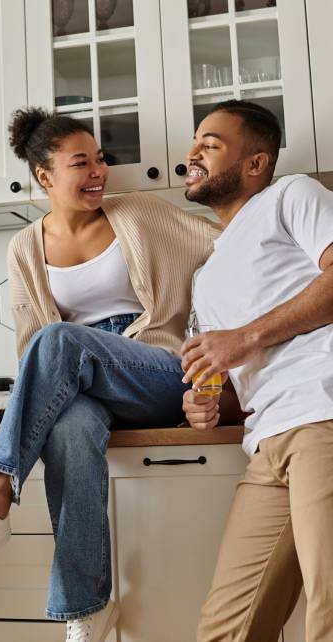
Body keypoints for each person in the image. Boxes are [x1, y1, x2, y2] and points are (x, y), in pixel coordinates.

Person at [0, 107, 218, 641]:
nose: (98, 172)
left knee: (60, 340)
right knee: (69, 427)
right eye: (80, 163)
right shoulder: (24, 248)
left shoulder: (137, 212)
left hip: (152, 369)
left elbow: (224, 247)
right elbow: (30, 345)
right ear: (45, 176)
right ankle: (86, 610)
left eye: (100, 160)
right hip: (77, 380)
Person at [180, 99, 333, 642]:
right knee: (227, 628)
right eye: (195, 141)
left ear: (255, 163)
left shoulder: (292, 195)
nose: (192, 153)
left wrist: (241, 338)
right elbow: (230, 376)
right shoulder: (208, 271)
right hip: (267, 440)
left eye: (211, 144)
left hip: (323, 415)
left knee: (330, 610)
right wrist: (206, 402)